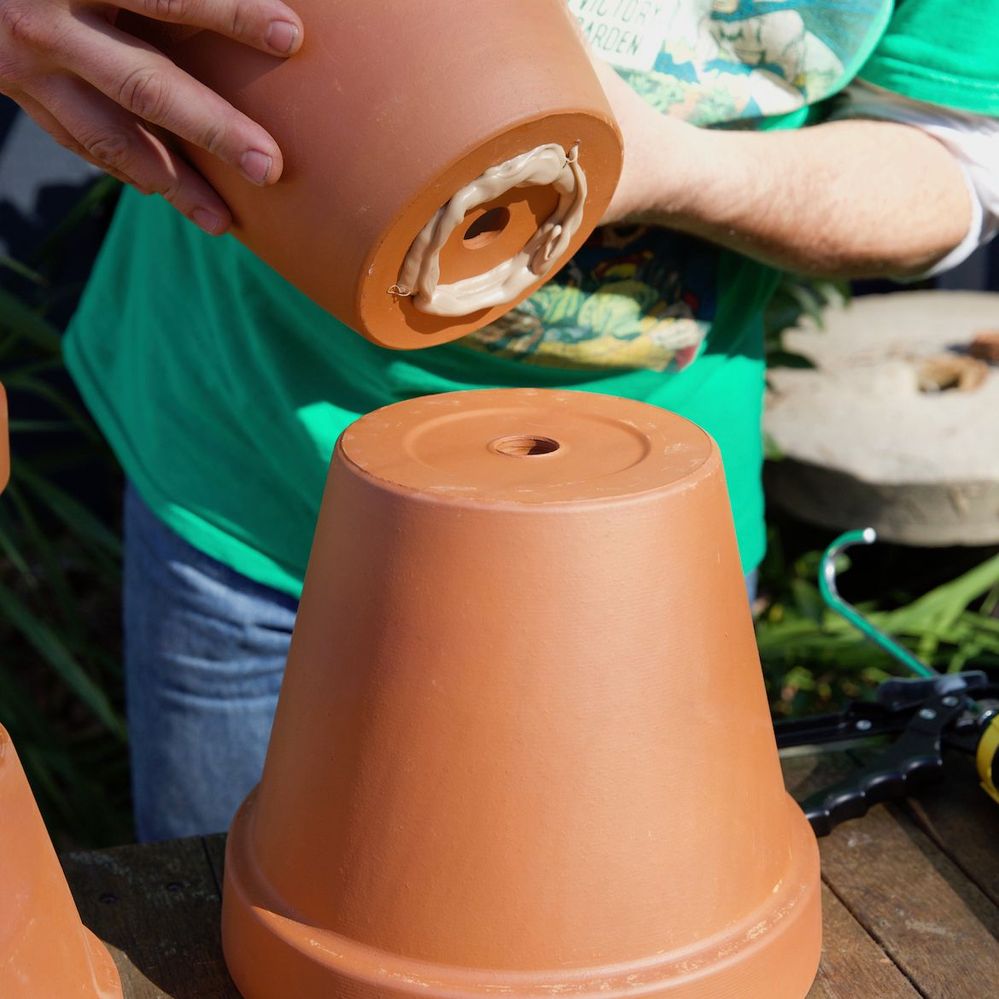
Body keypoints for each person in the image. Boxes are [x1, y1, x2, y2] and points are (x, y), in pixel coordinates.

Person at [2, 0, 997, 842]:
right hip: (244, 468)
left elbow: (951, 161)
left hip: (629, 537)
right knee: (233, 912)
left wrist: (659, 167)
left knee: (597, 917)